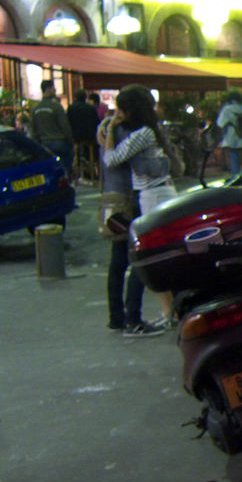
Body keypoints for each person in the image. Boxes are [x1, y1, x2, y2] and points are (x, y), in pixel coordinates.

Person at [99, 84, 174, 337]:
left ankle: (129, 317)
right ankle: (135, 317)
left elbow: (110, 159)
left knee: (137, 258)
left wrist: (109, 128)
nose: (116, 111)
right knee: (141, 258)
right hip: (141, 198)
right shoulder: (145, 131)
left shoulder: (138, 133)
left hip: (145, 198)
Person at [26, 80, 74, 167]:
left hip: (43, 145)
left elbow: (32, 128)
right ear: (48, 89)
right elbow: (65, 126)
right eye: (53, 88)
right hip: (59, 143)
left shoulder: (35, 108)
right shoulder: (56, 107)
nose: (55, 90)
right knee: (65, 167)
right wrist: (70, 140)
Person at [213, 91, 242, 174]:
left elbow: (220, 123)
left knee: (234, 157)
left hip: (232, 136)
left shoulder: (227, 109)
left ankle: (236, 176)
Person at [67, 89, 101, 183]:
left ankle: (77, 175)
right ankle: (93, 174)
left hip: (76, 137)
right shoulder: (91, 108)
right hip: (90, 137)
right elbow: (96, 122)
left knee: (76, 154)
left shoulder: (71, 108)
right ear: (85, 98)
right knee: (92, 154)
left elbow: (68, 123)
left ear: (75, 97)